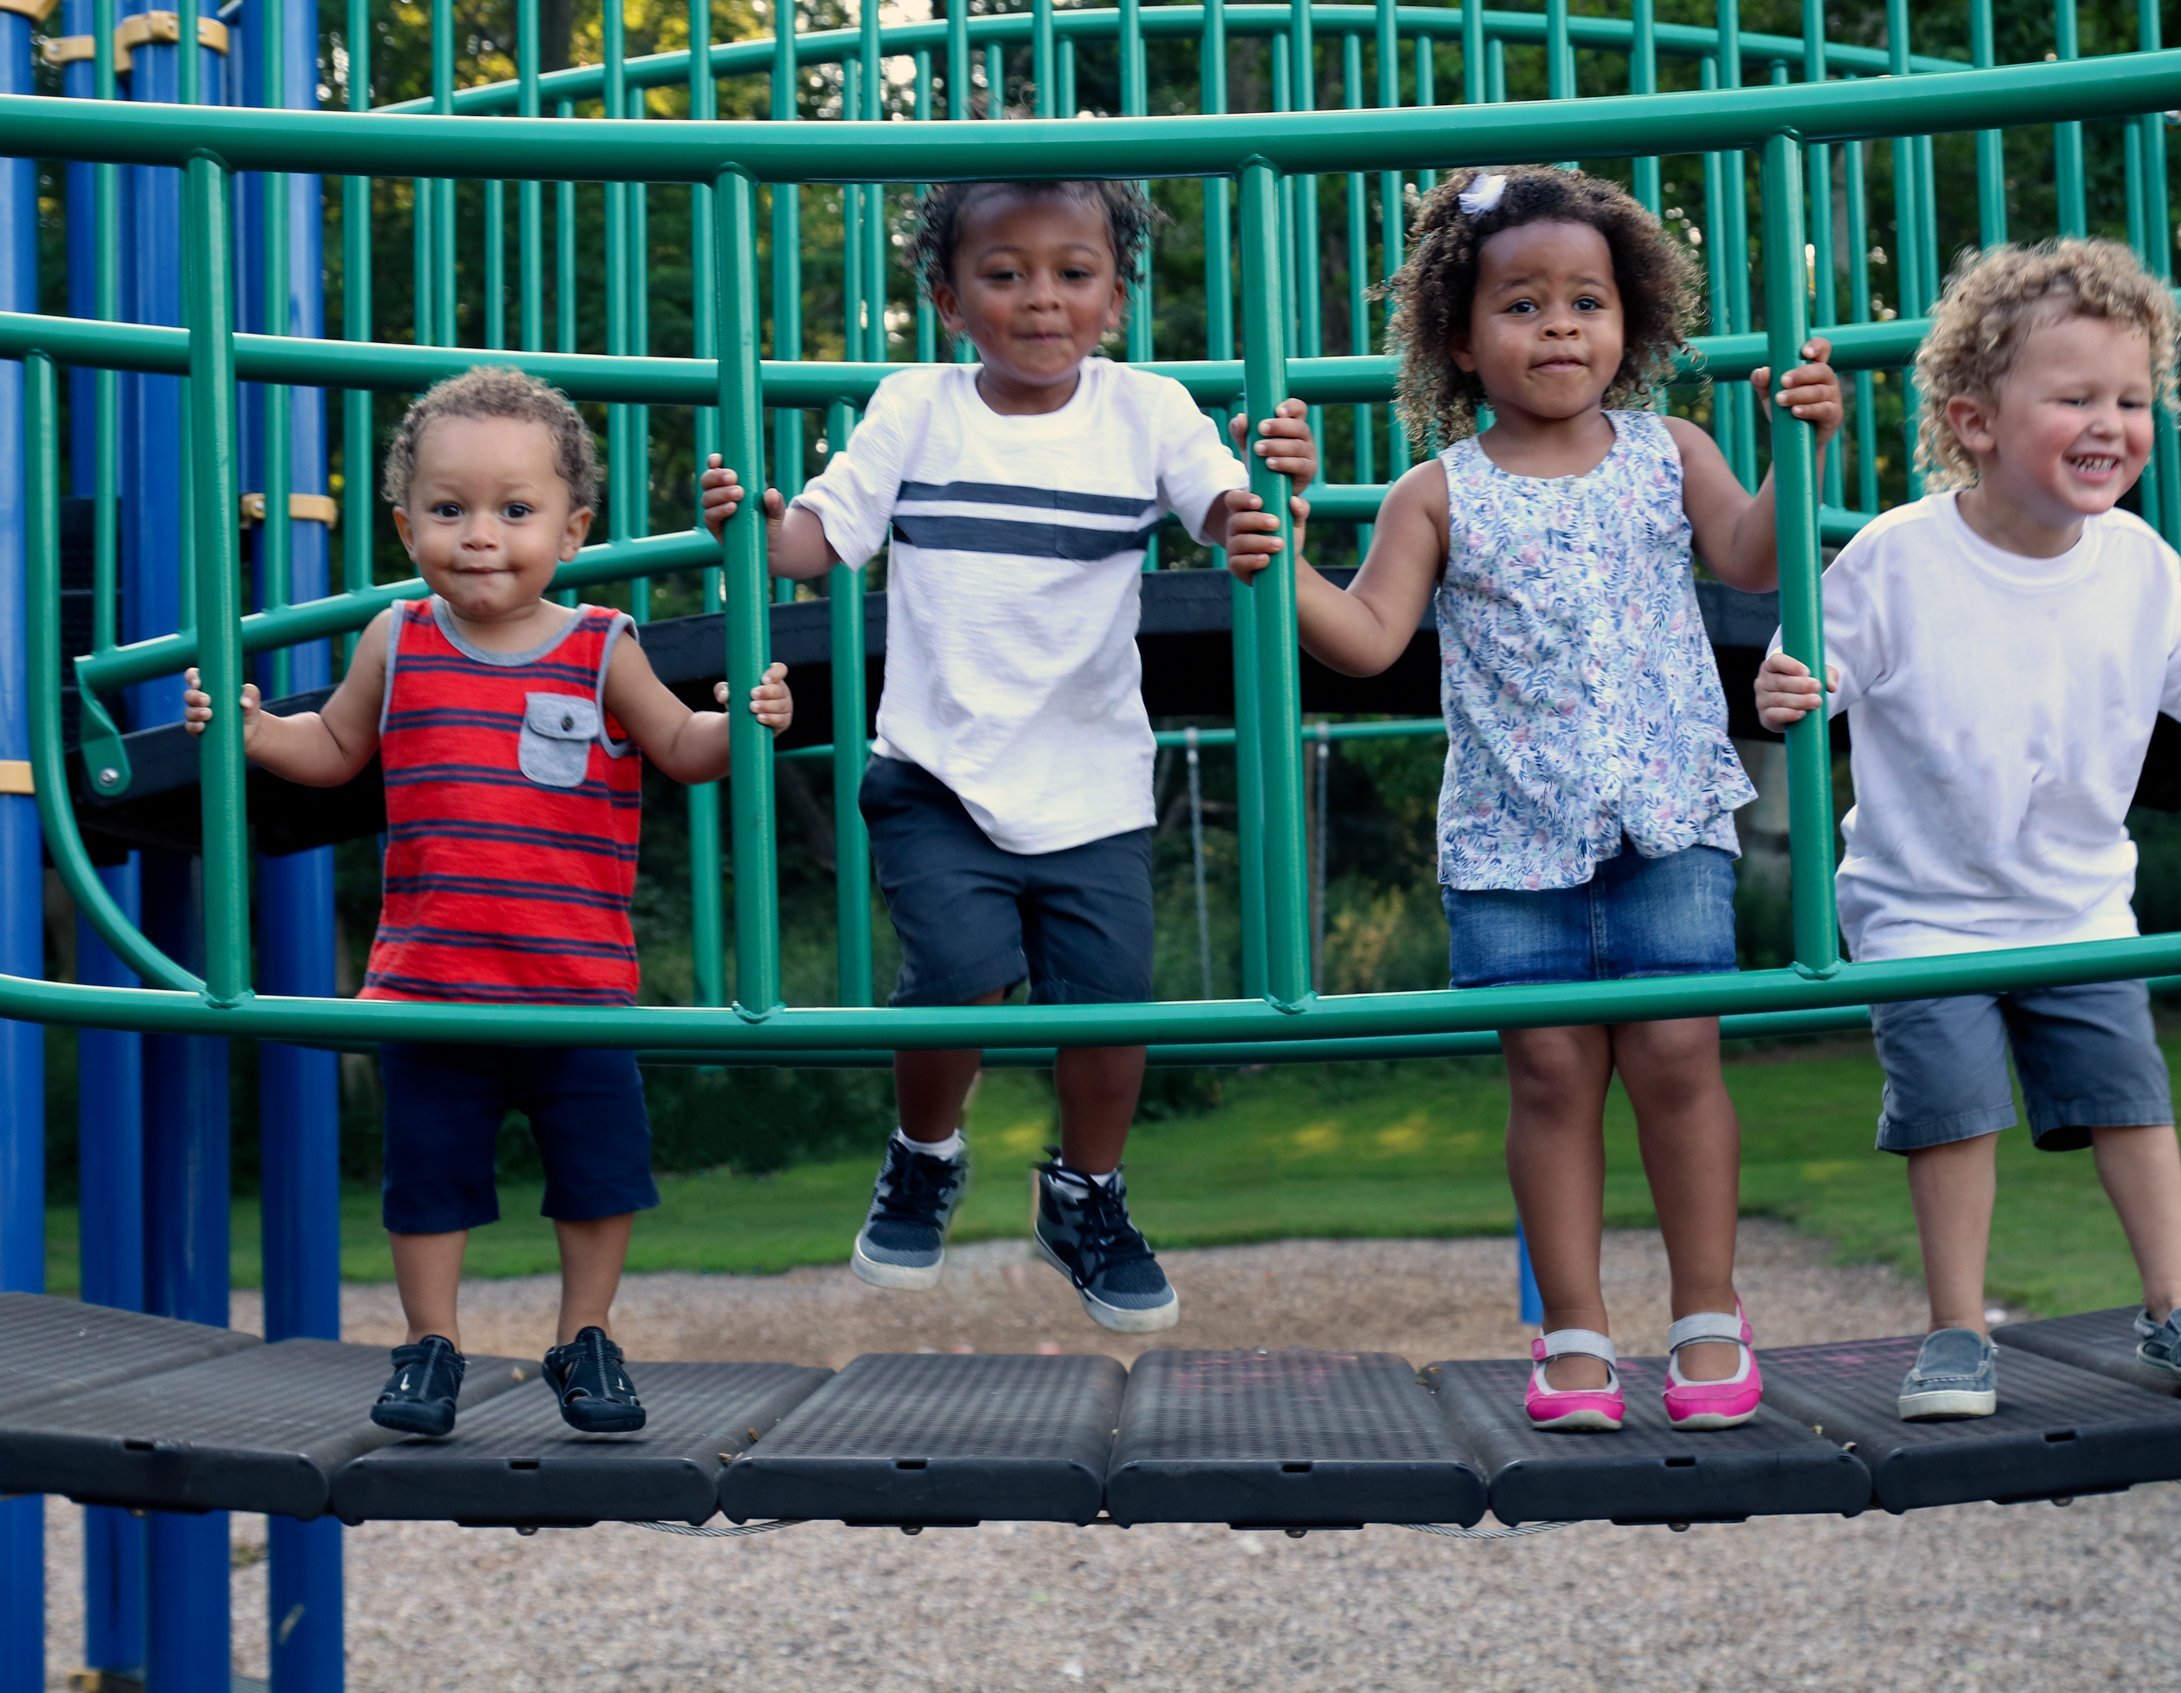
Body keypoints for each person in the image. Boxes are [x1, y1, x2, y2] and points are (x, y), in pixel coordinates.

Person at [1230, 164, 1841, 1430]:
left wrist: (1802, 451)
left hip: (1669, 814)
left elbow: (1751, 556)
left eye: (1586, 302)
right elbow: (1365, 637)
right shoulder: (1438, 490)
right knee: (1551, 1077)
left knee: (1678, 1058)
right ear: (1459, 336)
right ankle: (1571, 1332)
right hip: (1512, 840)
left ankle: (1708, 1318)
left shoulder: (1669, 451)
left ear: (1631, 324)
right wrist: (1280, 564)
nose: (1559, 326)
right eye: (1522, 305)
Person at [1754, 238, 2181, 1420]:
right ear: (1974, 420)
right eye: (2076, 397)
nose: (2112, 423)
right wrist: (1791, 687)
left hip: (2080, 902)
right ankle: (1953, 1331)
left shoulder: (2134, 561)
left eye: (2132, 400)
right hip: (1925, 910)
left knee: (2130, 1097)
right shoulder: (1898, 555)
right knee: (1952, 1109)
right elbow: (1811, 669)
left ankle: (2175, 1307)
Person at [700, 177, 1316, 1333]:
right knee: (961, 971)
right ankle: (925, 1151)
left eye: (1073, 273)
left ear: (1116, 296)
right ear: (947, 298)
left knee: (1110, 1008)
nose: (1042, 299)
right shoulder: (916, 407)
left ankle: (1086, 1195)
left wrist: (1268, 499)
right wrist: (750, 521)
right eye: (1004, 273)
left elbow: (1230, 514)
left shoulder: (1145, 410)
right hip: (938, 767)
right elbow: (814, 544)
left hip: (1091, 781)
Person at [185, 365, 794, 1437]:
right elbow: (334, 746)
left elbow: (678, 748)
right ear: (405, 521)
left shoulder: (602, 644)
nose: (479, 535)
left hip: (574, 985)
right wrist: (251, 732)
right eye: (449, 509)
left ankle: (588, 1335)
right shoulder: (398, 638)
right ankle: (431, 1346)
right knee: (426, 1181)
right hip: (429, 985)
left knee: (600, 1179)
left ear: (573, 530)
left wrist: (742, 723)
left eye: (516, 511)